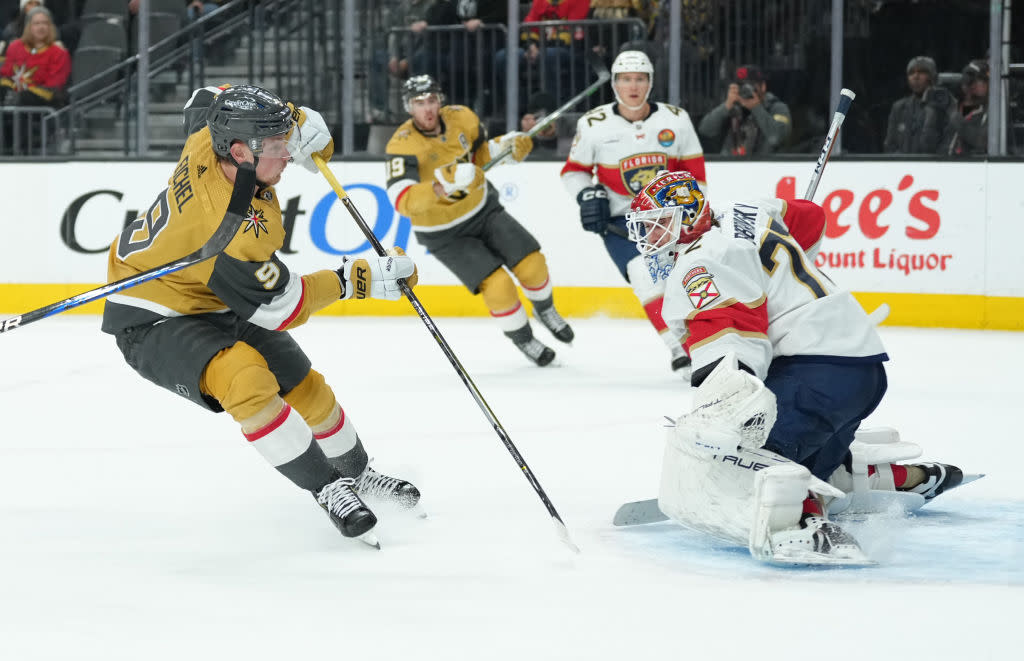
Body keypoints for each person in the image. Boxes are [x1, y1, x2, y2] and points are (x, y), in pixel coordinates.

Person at [101, 84, 422, 548]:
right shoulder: (229, 227)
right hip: (153, 316)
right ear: (241, 152)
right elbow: (280, 307)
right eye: (277, 148)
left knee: (302, 382)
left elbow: (208, 94)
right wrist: (355, 279)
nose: (288, 156)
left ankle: (359, 473)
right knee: (246, 378)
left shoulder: (207, 135)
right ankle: (327, 487)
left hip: (208, 292)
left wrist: (296, 117)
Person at [623, 170, 972, 564]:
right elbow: (811, 218)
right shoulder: (747, 210)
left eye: (658, 225)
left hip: (815, 373)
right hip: (863, 367)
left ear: (687, 219)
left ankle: (804, 524)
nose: (651, 238)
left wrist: (724, 406)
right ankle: (892, 480)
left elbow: (732, 336)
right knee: (816, 461)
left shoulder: (700, 264)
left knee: (751, 458)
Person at [384, 74, 574, 366]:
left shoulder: (463, 117)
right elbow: (402, 200)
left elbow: (481, 155)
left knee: (533, 265)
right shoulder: (401, 145)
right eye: (419, 103)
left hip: (484, 210)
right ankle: (524, 339)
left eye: (432, 100)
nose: (428, 109)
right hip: (444, 233)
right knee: (499, 286)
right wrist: (441, 184)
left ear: (441, 100)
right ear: (409, 107)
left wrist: (508, 148)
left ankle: (545, 309)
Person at [560, 50, 705, 374]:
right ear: (614, 83)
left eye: (640, 78)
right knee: (645, 278)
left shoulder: (675, 119)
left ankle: (705, 343)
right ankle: (679, 350)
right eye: (625, 79)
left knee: (682, 283)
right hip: (620, 221)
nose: (633, 86)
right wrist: (587, 193)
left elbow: (695, 172)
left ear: (650, 82)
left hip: (670, 217)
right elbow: (574, 170)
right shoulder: (593, 123)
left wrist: (692, 210)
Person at [0, 5, 69, 153]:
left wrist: (22, 93)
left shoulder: (58, 53)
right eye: (37, 23)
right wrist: (8, 91)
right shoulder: (14, 47)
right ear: (28, 27)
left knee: (22, 99)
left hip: (48, 99)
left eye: (45, 23)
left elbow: (54, 88)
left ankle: (22, 149)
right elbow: (6, 74)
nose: (41, 27)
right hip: (16, 96)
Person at [697, 64, 791, 156]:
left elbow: (777, 137)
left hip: (764, 167)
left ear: (763, 86)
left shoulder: (776, 108)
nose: (745, 89)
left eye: (751, 85)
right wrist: (726, 106)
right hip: (730, 167)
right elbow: (705, 130)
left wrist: (756, 108)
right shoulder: (732, 107)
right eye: (741, 85)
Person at [883, 55, 954, 154]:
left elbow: (949, 142)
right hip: (903, 167)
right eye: (911, 73)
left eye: (922, 72)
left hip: (934, 166)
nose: (916, 76)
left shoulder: (947, 104)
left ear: (933, 77)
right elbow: (890, 146)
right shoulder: (899, 107)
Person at [942, 59, 989, 156]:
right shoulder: (953, 108)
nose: (971, 84)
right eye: (967, 80)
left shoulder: (994, 111)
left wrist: (957, 118)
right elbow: (940, 146)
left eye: (977, 79)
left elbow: (981, 142)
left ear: (989, 83)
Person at [519, 90, 559, 160]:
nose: (542, 124)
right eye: (537, 118)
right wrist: (525, 132)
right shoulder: (527, 129)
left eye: (547, 118)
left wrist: (554, 131)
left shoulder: (563, 128)